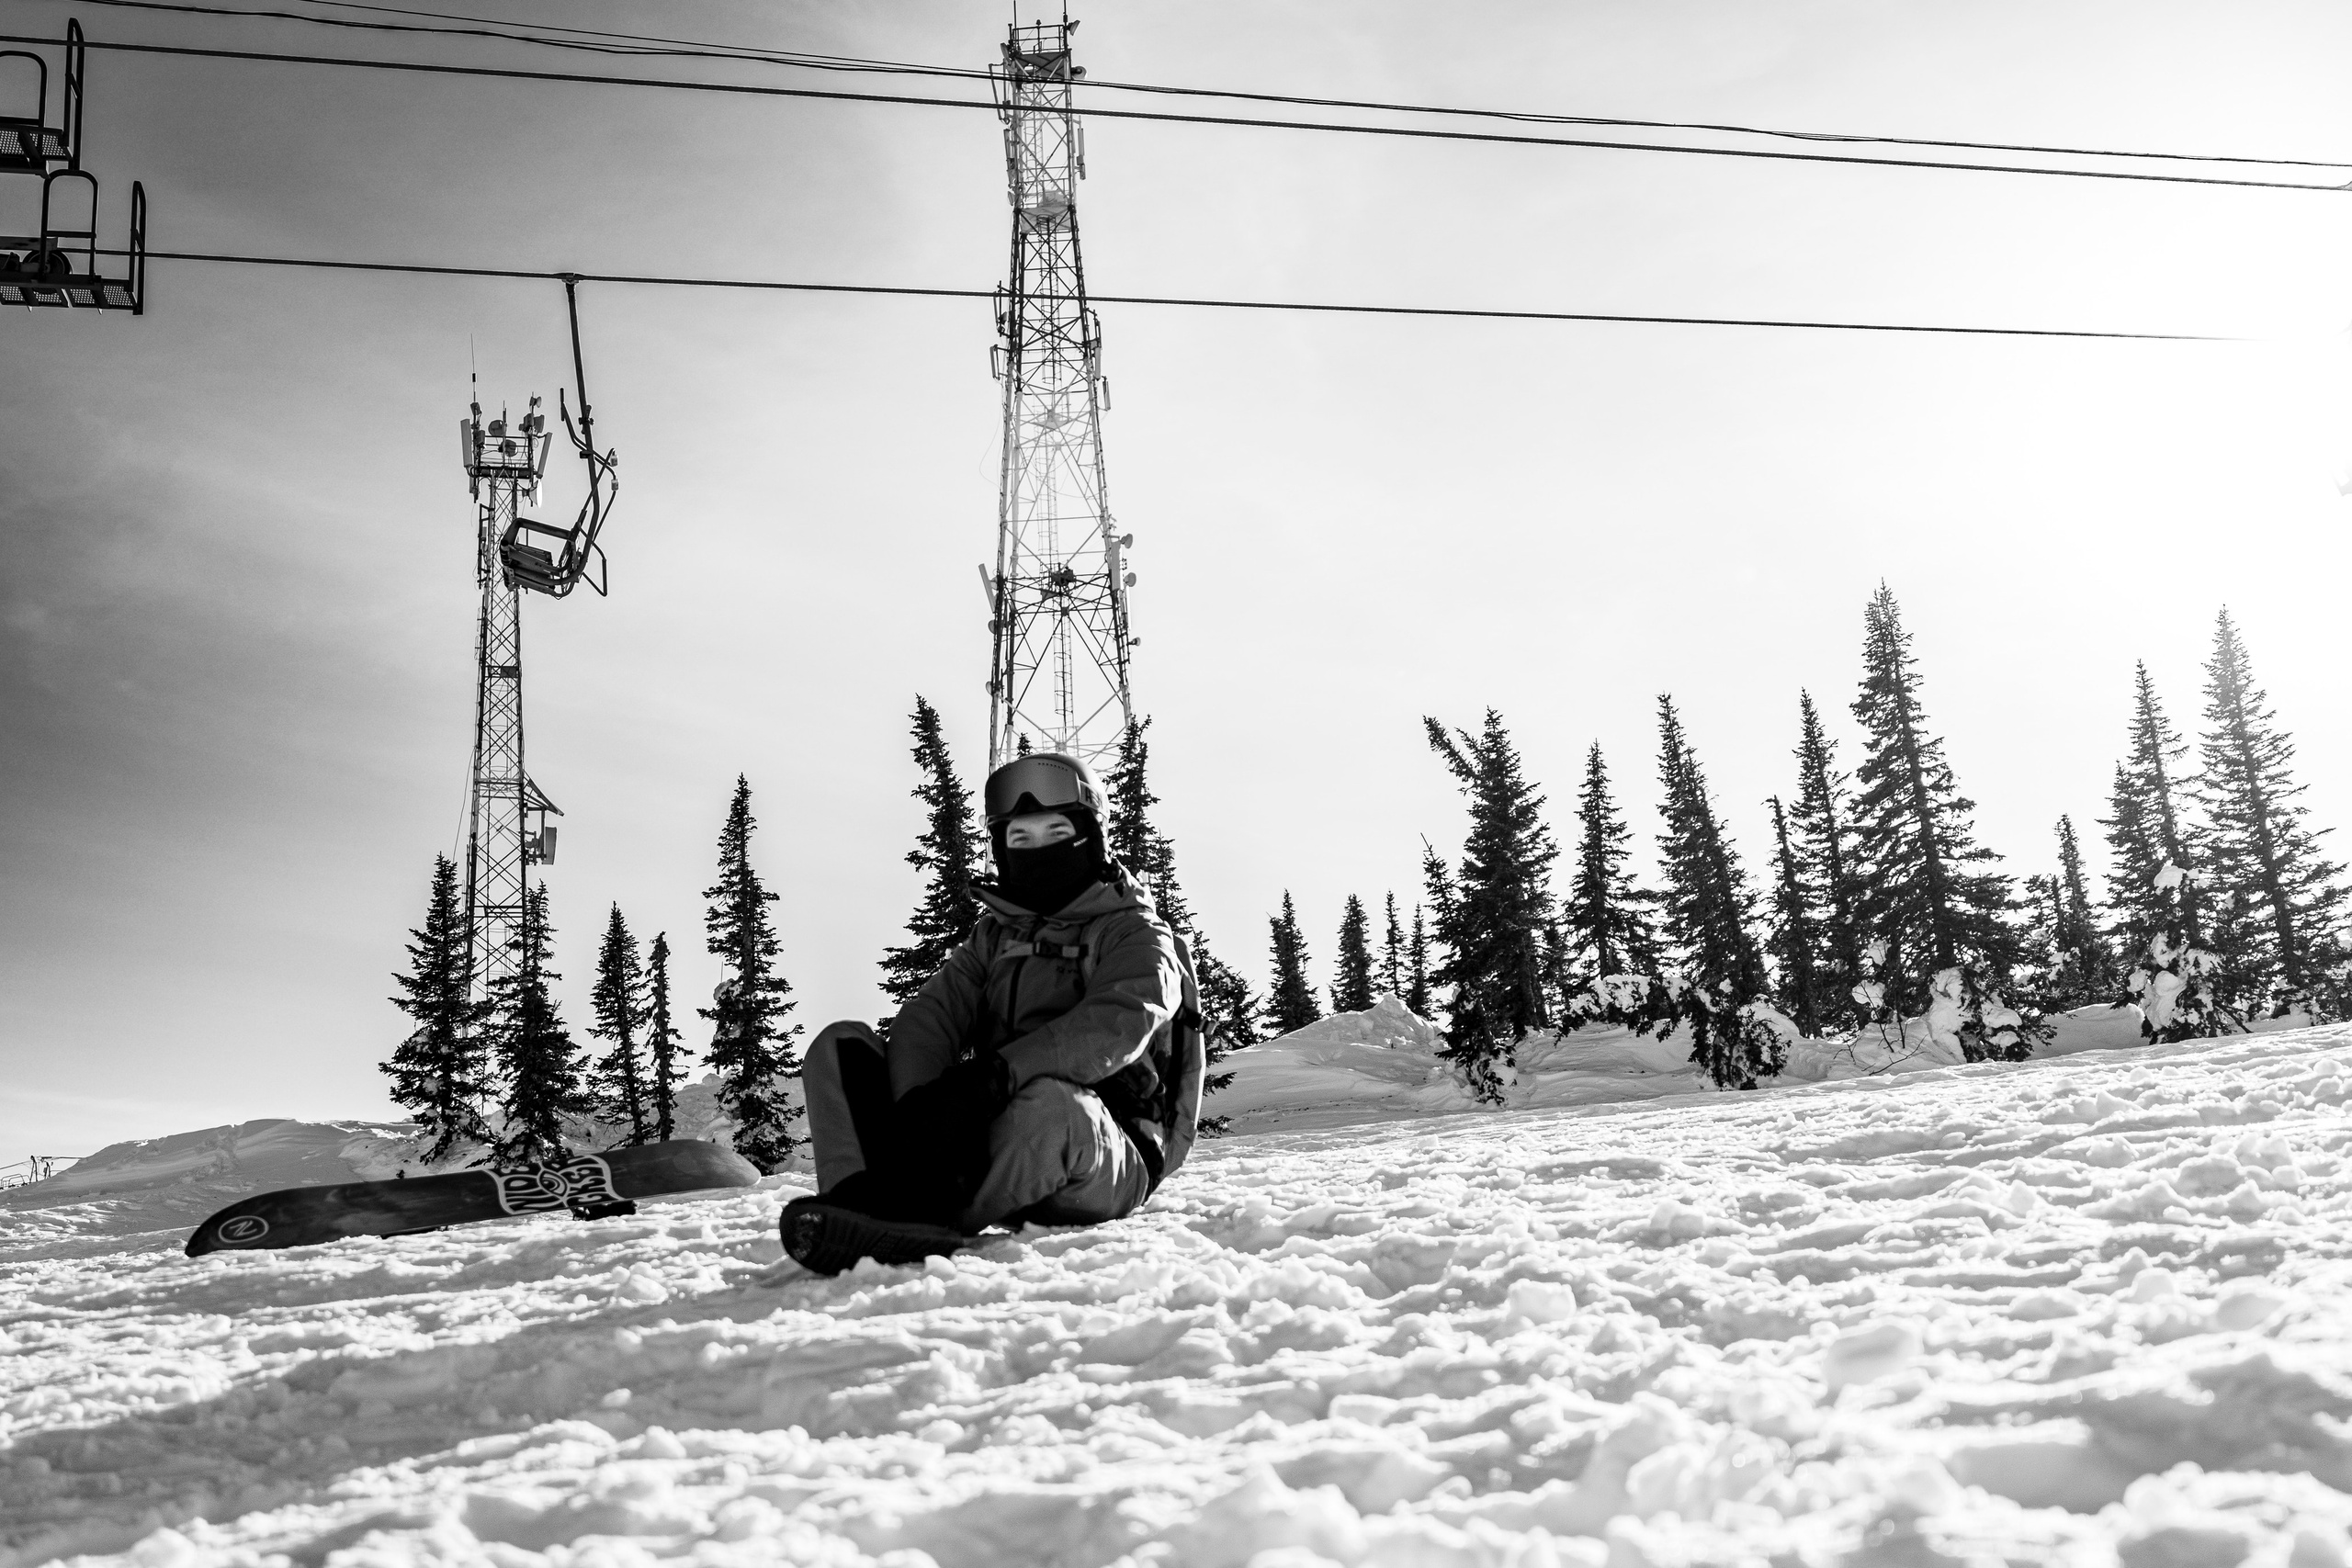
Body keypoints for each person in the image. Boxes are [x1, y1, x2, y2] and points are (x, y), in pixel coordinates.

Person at [780, 751, 1203, 1275]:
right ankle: (859, 1199)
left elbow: (1117, 1024)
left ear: (1092, 836)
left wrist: (992, 1078)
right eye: (1019, 839)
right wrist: (923, 1104)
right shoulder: (997, 936)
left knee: (1053, 1105)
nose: (1038, 850)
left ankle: (918, 1216)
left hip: (1107, 1151)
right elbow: (931, 1017)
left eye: (1055, 831)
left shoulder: (1135, 932)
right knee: (840, 1045)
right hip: (1001, 1137)